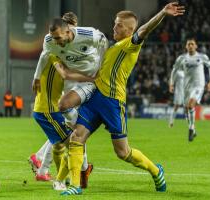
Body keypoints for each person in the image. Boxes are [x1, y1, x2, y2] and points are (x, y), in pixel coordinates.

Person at [59, 2, 185, 196]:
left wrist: (162, 13)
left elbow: (144, 29)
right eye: (115, 23)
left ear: (129, 30)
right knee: (77, 138)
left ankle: (155, 170)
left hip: (113, 103)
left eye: (119, 25)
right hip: (96, 98)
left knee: (123, 152)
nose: (114, 27)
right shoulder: (114, 46)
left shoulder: (130, 45)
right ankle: (75, 185)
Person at [29, 12, 94, 187]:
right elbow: (65, 73)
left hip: (52, 108)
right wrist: (92, 78)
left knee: (63, 140)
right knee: (75, 140)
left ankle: (43, 167)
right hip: (48, 109)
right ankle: (74, 175)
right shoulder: (56, 52)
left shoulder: (60, 51)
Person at [169, 38, 210, 141]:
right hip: (186, 87)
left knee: (190, 104)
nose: (190, 46)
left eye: (192, 44)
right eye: (188, 44)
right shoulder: (182, 58)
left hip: (198, 86)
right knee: (186, 109)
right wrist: (171, 83)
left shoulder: (201, 57)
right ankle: (193, 130)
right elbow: (174, 70)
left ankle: (191, 128)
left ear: (196, 46)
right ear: (186, 47)